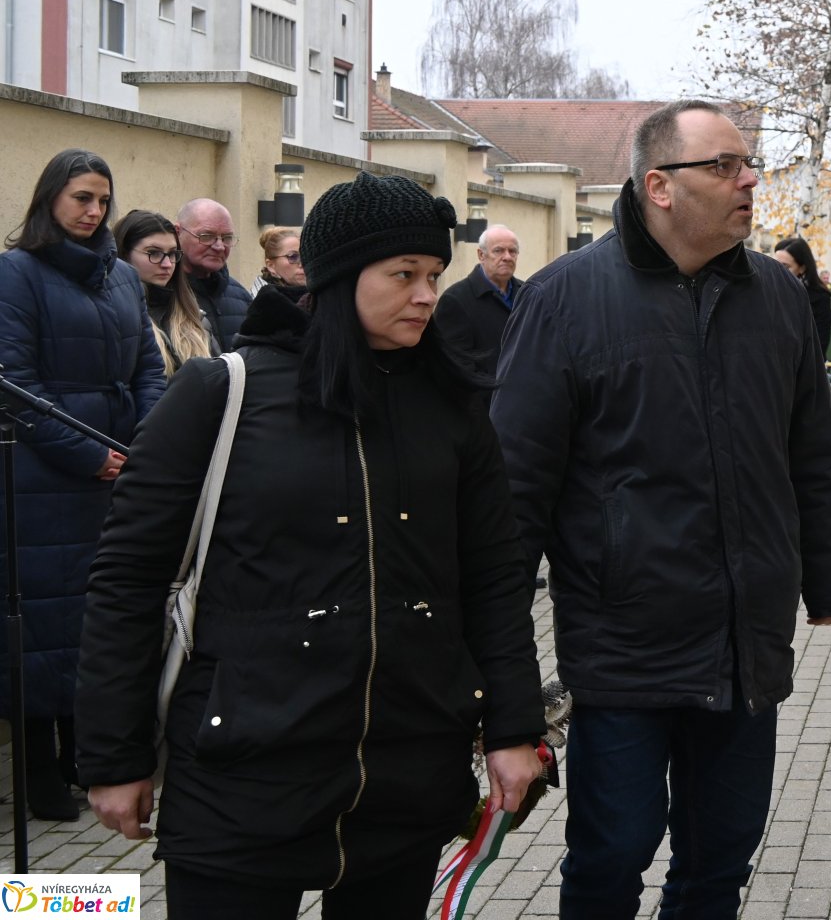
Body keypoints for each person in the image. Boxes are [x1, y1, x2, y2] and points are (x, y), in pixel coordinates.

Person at [76, 172, 547, 918]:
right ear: (338, 276)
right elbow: (127, 578)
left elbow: (493, 576)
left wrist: (514, 727)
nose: (427, 294)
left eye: (433, 275)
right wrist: (113, 756)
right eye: (403, 275)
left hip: (405, 772)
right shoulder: (219, 393)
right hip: (240, 776)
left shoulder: (452, 409)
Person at [493, 99, 831, 919]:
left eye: (748, 165)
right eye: (725, 166)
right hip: (624, 643)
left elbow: (813, 450)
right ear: (658, 185)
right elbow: (514, 488)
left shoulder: (774, 296)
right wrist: (496, 663)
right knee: (612, 853)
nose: (750, 181)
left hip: (744, 647)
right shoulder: (564, 300)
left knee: (720, 857)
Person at [0, 149, 167, 820]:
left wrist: (147, 443)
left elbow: (147, 369)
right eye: (81, 198)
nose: (94, 211)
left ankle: (85, 758)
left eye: (103, 199)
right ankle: (41, 773)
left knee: (97, 619)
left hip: (118, 474)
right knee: (40, 624)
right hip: (45, 479)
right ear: (50, 201)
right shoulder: (17, 273)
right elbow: (14, 384)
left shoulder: (122, 279)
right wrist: (89, 453)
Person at [113, 210, 214, 376]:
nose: (167, 264)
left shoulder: (196, 319)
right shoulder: (115, 316)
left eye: (173, 254)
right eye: (154, 253)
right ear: (124, 254)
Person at [435, 225, 522, 377]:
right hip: (486, 397)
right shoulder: (456, 300)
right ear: (481, 255)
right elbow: (455, 366)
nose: (507, 257)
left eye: (512, 251)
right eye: (498, 250)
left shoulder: (527, 294)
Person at [176, 198, 250, 351]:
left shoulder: (242, 297)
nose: (219, 246)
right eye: (206, 236)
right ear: (178, 233)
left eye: (227, 238)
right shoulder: (164, 295)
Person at [772, 235, 831, 358]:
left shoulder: (819, 299)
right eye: (774, 264)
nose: (777, 271)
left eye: (785, 267)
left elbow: (819, 346)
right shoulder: (765, 292)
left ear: (802, 268)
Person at [254, 226, 305, 293]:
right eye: (293, 257)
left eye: (305, 256)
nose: (302, 264)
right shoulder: (263, 300)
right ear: (271, 266)